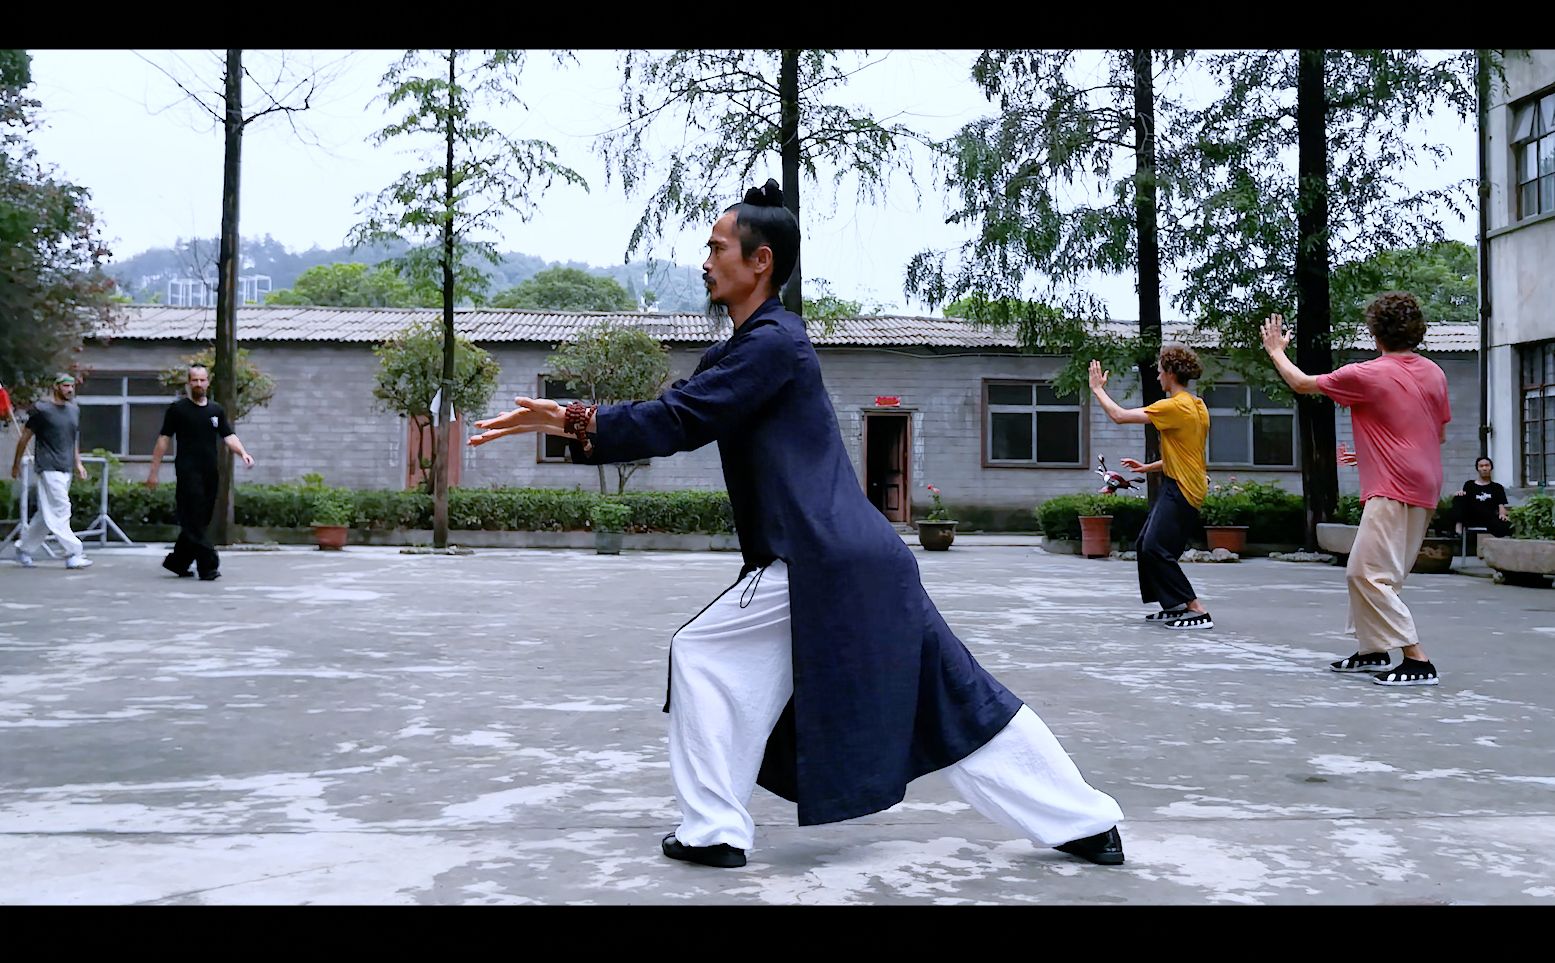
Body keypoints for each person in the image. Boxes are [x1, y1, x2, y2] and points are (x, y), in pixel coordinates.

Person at [468, 181, 1125, 870]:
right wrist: (580, 421)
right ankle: (1085, 823)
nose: (705, 261)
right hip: (849, 562)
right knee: (957, 701)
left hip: (820, 565)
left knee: (706, 655)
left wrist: (574, 419)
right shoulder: (749, 348)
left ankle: (712, 829)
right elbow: (682, 407)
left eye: (717, 248)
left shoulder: (774, 344)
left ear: (760, 262)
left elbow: (678, 421)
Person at [1260, 292, 1449, 686]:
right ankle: (1372, 651)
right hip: (1425, 482)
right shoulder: (1435, 372)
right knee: (1387, 574)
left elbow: (1300, 382)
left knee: (1364, 574)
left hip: (1393, 485)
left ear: (1375, 334)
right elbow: (1436, 433)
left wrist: (1276, 350)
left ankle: (1417, 660)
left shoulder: (1366, 374)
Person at [1088, 346, 1214, 630]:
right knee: (1146, 543)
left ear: (1170, 373)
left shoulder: (1173, 406)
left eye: (1159, 371)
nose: (1157, 376)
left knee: (1156, 547)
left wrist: (1097, 390)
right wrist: (1147, 468)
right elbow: (1186, 453)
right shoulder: (1198, 406)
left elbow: (1119, 416)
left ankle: (1195, 608)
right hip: (1185, 482)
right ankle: (1173, 605)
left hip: (1181, 487)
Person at [145, 365, 254, 581]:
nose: (198, 384)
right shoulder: (177, 409)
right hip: (187, 472)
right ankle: (208, 565)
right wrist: (153, 472)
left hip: (210, 472)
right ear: (188, 382)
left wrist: (243, 453)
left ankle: (177, 562)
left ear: (208, 382)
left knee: (200, 520)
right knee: (193, 517)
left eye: (202, 380)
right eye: (194, 380)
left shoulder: (215, 410)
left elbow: (228, 435)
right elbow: (163, 440)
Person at [10, 374, 92, 569]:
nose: (70, 390)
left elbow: (72, 440)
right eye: (65, 386)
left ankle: (24, 549)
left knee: (46, 515)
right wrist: (15, 464)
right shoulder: (41, 410)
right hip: (48, 467)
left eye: (72, 386)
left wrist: (78, 464)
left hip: (66, 468)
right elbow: (24, 438)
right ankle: (73, 553)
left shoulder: (74, 411)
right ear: (56, 387)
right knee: (62, 508)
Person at [1452, 457, 1511, 548]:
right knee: (1459, 497)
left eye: (1487, 465)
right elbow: (1463, 503)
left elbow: (1501, 506)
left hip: (1489, 517)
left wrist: (1503, 515)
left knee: (1506, 525)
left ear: (1491, 468)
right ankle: (1458, 526)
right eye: (1481, 466)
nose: (1484, 468)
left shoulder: (1497, 487)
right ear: (1477, 468)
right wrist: (1459, 494)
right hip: (1471, 517)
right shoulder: (1469, 485)